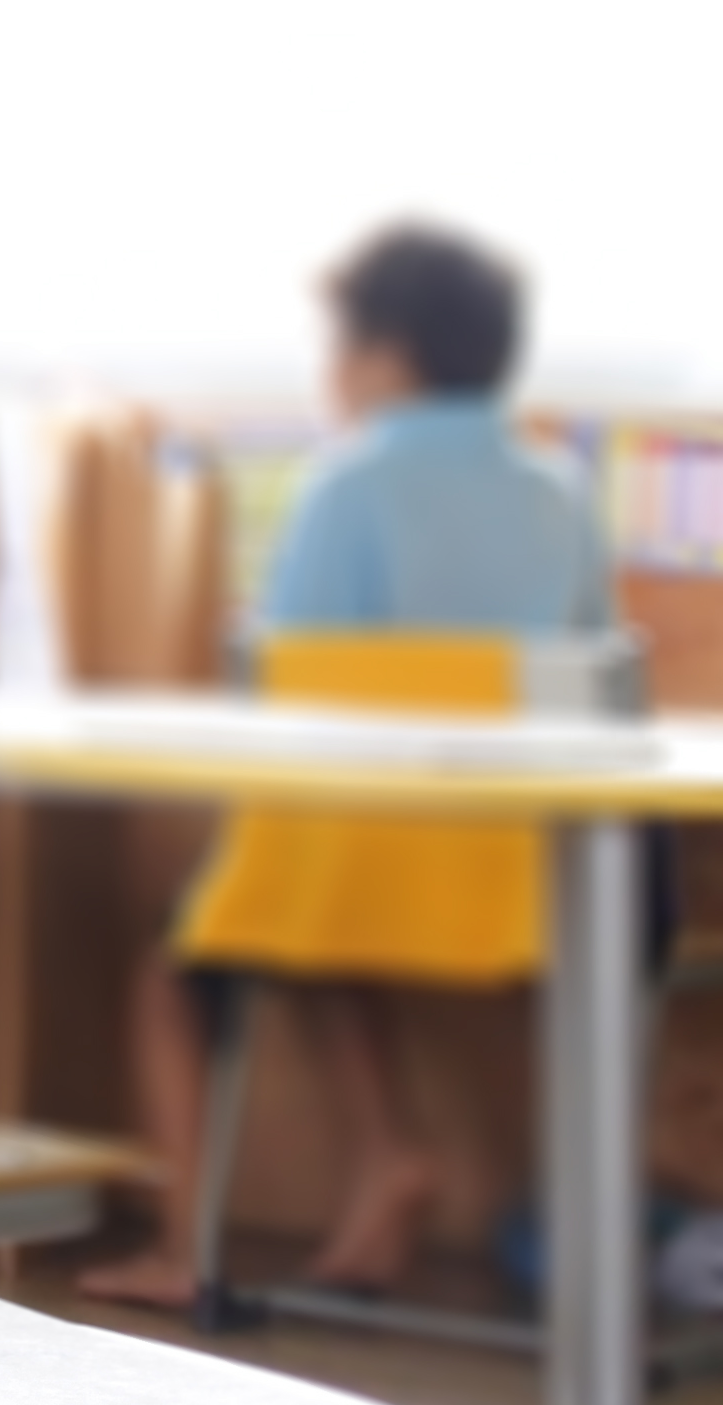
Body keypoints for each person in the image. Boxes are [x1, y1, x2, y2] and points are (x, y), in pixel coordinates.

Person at [84, 221, 612, 1310]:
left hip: (361, 848)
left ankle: (185, 1247)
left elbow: (291, 679)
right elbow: (592, 667)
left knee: (176, 972)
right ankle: (395, 1154)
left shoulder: (349, 483)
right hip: (518, 881)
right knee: (324, 933)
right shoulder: (560, 488)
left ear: (386, 354)